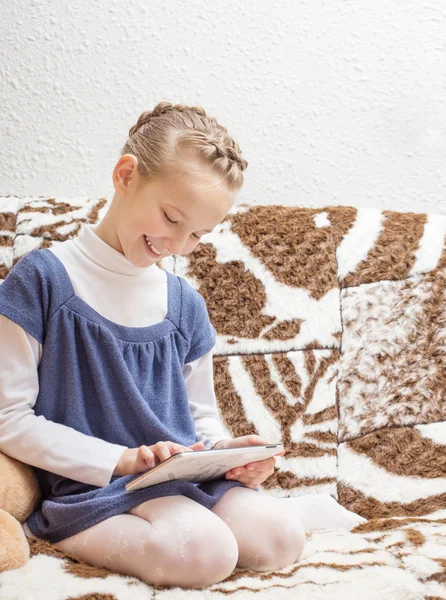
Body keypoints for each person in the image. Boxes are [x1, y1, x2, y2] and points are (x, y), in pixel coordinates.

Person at [0, 102, 366, 589]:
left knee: (281, 539)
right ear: (126, 175)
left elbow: (200, 418)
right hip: (91, 487)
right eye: (171, 217)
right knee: (203, 553)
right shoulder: (42, 280)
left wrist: (227, 454)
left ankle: (271, 511)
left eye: (197, 234)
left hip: (183, 480)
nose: (177, 244)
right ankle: (53, 529)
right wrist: (122, 460)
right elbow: (9, 419)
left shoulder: (184, 303)